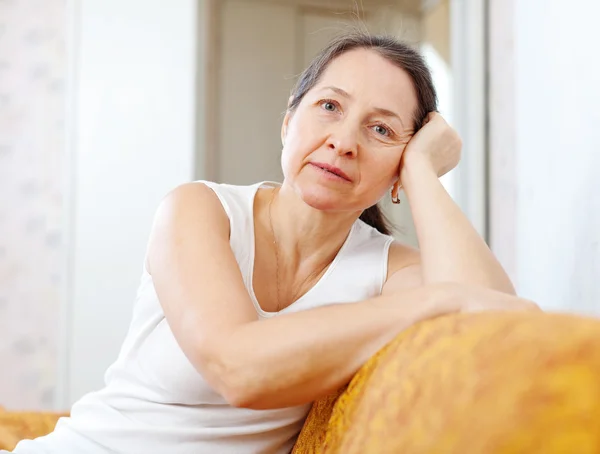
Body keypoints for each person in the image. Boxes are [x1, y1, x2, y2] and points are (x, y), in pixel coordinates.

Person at [6, 32, 538, 454]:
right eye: (330, 106)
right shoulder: (199, 209)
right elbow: (238, 368)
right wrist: (439, 301)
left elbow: (500, 324)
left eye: (381, 131)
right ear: (289, 120)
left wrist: (421, 171)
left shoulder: (385, 271)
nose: (343, 141)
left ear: (398, 171)